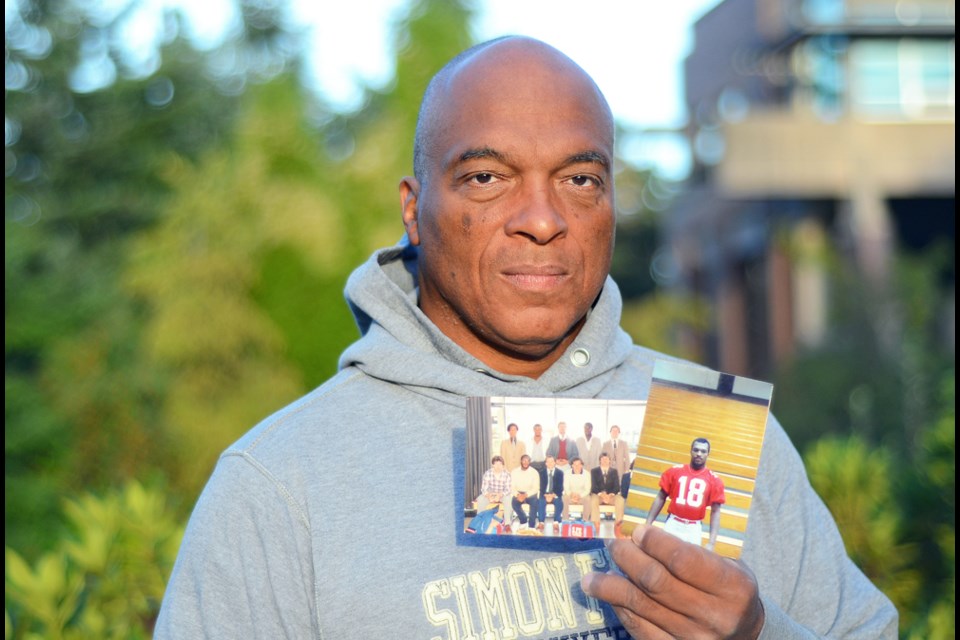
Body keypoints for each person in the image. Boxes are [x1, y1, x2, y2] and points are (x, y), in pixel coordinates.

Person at [155, 36, 897, 639]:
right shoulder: (282, 486)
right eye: (486, 178)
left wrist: (759, 636)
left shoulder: (714, 429)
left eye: (579, 179)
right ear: (415, 211)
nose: (542, 219)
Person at [646, 437, 725, 551]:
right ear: (691, 451)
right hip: (673, 523)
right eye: (696, 450)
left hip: (694, 528)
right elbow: (660, 497)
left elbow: (716, 511)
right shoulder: (675, 471)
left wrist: (711, 543)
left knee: (688, 565)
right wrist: (648, 523)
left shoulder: (714, 480)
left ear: (708, 454)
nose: (699, 454)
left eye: (703, 451)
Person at [590, 452, 624, 529]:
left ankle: (618, 524)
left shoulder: (614, 471)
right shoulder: (594, 471)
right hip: (599, 495)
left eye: (606, 459)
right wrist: (602, 495)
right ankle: (595, 524)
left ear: (610, 461)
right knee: (593, 499)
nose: (604, 460)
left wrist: (610, 495)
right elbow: (593, 487)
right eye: (602, 459)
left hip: (611, 496)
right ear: (599, 461)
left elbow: (617, 487)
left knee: (620, 500)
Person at [509, 454, 540, 531]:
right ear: (521, 461)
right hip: (518, 493)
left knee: (535, 502)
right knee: (514, 503)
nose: (526, 462)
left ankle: (531, 525)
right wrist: (517, 494)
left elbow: (536, 488)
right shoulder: (514, 472)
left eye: (528, 461)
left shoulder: (534, 472)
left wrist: (526, 495)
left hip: (530, 493)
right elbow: (512, 486)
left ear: (530, 462)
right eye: (524, 460)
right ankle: (523, 521)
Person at [536, 455, 564, 532]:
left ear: (555, 463)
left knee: (559, 502)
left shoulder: (560, 473)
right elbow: (540, 487)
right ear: (546, 463)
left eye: (552, 461)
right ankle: (541, 522)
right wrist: (546, 495)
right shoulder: (541, 473)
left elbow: (560, 488)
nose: (550, 463)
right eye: (548, 461)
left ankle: (556, 522)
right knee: (541, 501)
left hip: (555, 494)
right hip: (544, 493)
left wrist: (553, 495)